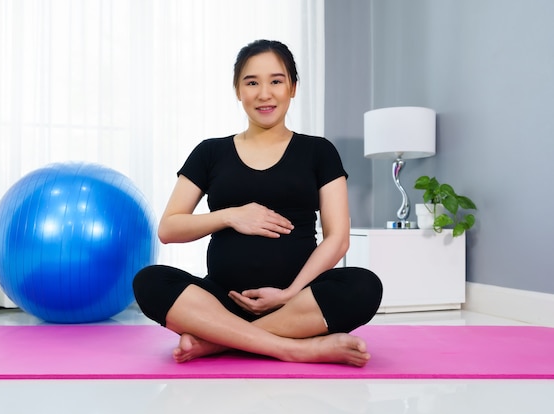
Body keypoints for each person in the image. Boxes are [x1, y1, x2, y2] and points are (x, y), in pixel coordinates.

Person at [133, 39, 382, 367]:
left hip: (298, 302)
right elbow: (169, 228)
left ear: (292, 87)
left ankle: (217, 342)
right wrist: (231, 215)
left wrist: (290, 292)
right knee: (149, 281)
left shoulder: (319, 151)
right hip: (222, 300)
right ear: (238, 90)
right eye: (252, 82)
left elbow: (338, 237)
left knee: (364, 285)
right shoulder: (210, 152)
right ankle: (294, 348)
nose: (264, 93)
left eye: (276, 81)